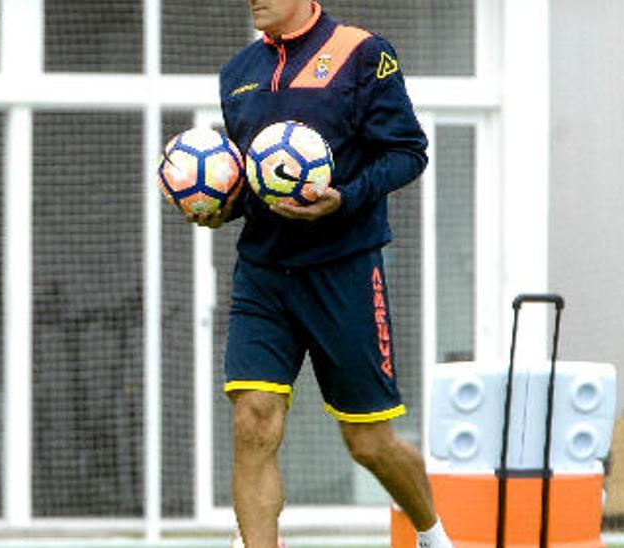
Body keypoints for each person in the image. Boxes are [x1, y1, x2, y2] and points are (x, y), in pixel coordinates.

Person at [189, 1, 453, 547]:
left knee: (368, 441)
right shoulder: (237, 73)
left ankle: (433, 536)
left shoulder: (363, 53)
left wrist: (345, 198)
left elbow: (409, 151)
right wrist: (221, 205)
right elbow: (259, 180)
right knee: (254, 420)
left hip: (345, 273)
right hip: (262, 275)